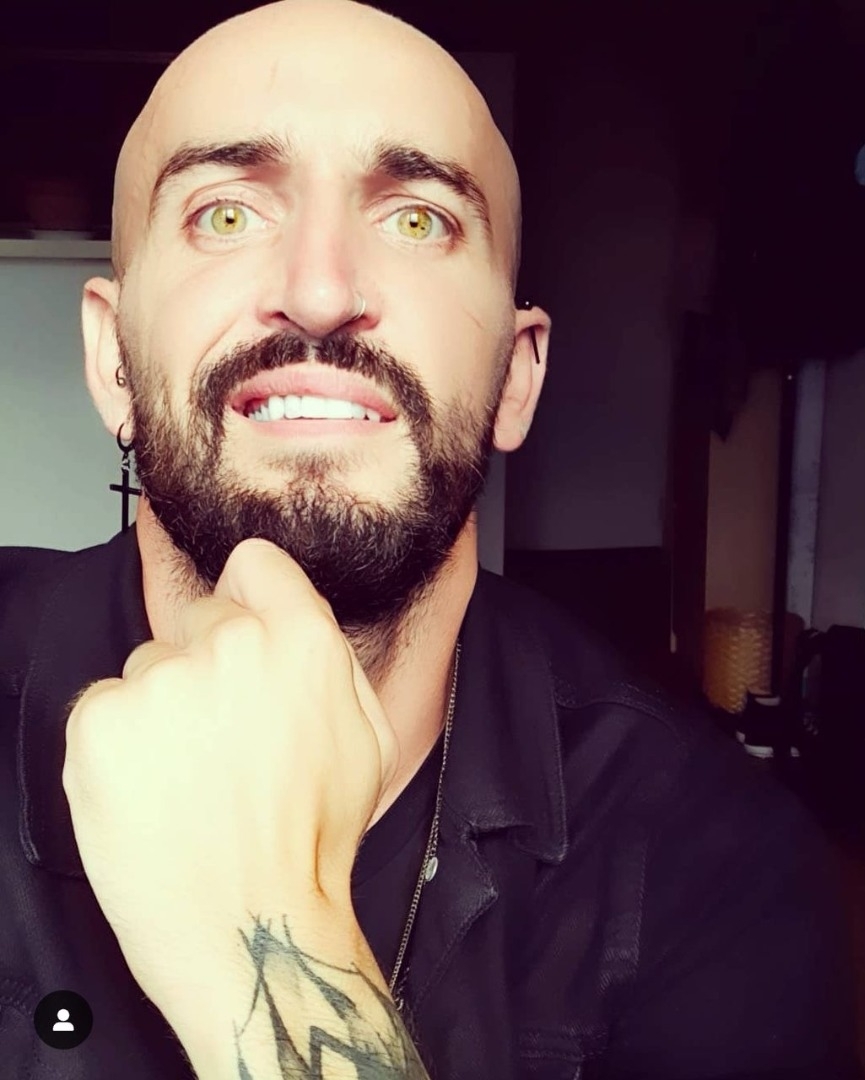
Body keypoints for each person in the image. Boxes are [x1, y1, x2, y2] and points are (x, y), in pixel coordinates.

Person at [0, 1, 859, 1077]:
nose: (319, 292)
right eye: (225, 214)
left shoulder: (719, 874)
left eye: (417, 220)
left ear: (516, 376)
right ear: (113, 360)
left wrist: (263, 936)